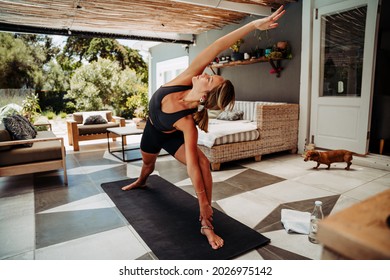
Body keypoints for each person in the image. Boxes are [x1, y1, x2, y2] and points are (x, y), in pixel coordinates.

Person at [122, 6, 286, 250]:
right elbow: (217, 46)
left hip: (170, 135)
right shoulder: (185, 78)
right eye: (211, 73)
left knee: (202, 163)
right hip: (152, 130)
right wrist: (253, 25)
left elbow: (191, 165)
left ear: (205, 96)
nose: (206, 73)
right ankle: (141, 181)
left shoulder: (187, 123)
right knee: (147, 165)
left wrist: (202, 201)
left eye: (210, 78)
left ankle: (206, 222)